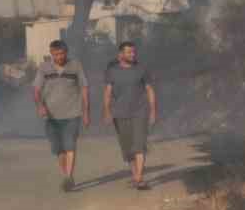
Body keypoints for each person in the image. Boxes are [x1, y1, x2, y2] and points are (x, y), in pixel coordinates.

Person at [32, 39, 90, 192]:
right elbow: (36, 90)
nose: (59, 57)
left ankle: (68, 176)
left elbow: (84, 88)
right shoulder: (44, 68)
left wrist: (85, 112)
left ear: (66, 52)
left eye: (61, 53)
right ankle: (67, 176)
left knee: (70, 145)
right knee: (59, 149)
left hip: (72, 113)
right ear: (51, 54)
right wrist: (40, 106)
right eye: (55, 54)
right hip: (51, 116)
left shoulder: (75, 66)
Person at [103, 40, 156, 191]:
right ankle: (135, 175)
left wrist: (153, 111)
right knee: (128, 149)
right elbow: (107, 92)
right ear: (121, 54)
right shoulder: (112, 71)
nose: (132, 54)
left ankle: (139, 178)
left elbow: (150, 90)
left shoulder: (142, 69)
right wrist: (107, 111)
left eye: (133, 52)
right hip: (120, 114)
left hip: (140, 112)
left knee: (139, 145)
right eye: (129, 52)